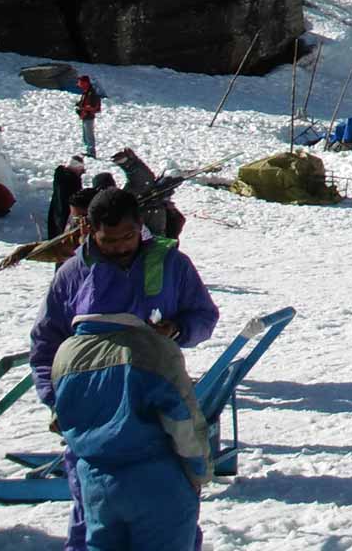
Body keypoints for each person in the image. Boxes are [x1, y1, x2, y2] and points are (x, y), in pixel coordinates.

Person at [29, 186, 219, 551]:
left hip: (152, 415)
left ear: (140, 227)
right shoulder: (72, 274)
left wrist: (178, 329)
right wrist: (57, 402)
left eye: (127, 237)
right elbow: (44, 345)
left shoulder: (170, 265)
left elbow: (204, 316)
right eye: (108, 240)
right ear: (89, 230)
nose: (119, 247)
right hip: (92, 423)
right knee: (91, 525)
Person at [50, 312, 210, 551]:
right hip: (156, 481)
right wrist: (199, 470)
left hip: (96, 482)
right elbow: (181, 419)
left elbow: (59, 420)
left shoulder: (66, 352)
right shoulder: (152, 347)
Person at [49, 157, 86, 238]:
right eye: (80, 169)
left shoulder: (63, 177)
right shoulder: (69, 180)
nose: (81, 172)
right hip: (65, 213)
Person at [75, 74, 103, 159]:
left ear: (85, 83)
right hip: (85, 117)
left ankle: (91, 152)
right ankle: (88, 151)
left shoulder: (91, 93)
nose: (79, 84)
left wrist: (83, 109)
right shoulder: (86, 92)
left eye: (80, 82)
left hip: (89, 117)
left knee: (89, 135)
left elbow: (92, 106)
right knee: (86, 135)